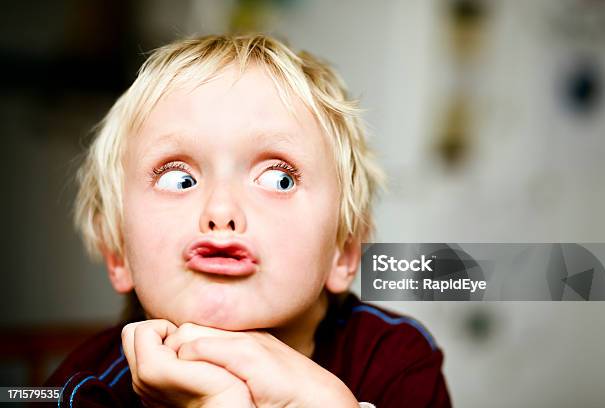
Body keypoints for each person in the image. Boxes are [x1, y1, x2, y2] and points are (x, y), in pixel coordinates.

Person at [45, 33, 451, 407]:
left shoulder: (396, 360)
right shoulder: (83, 390)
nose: (221, 212)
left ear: (343, 252)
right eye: (179, 179)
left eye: (279, 179)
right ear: (118, 253)